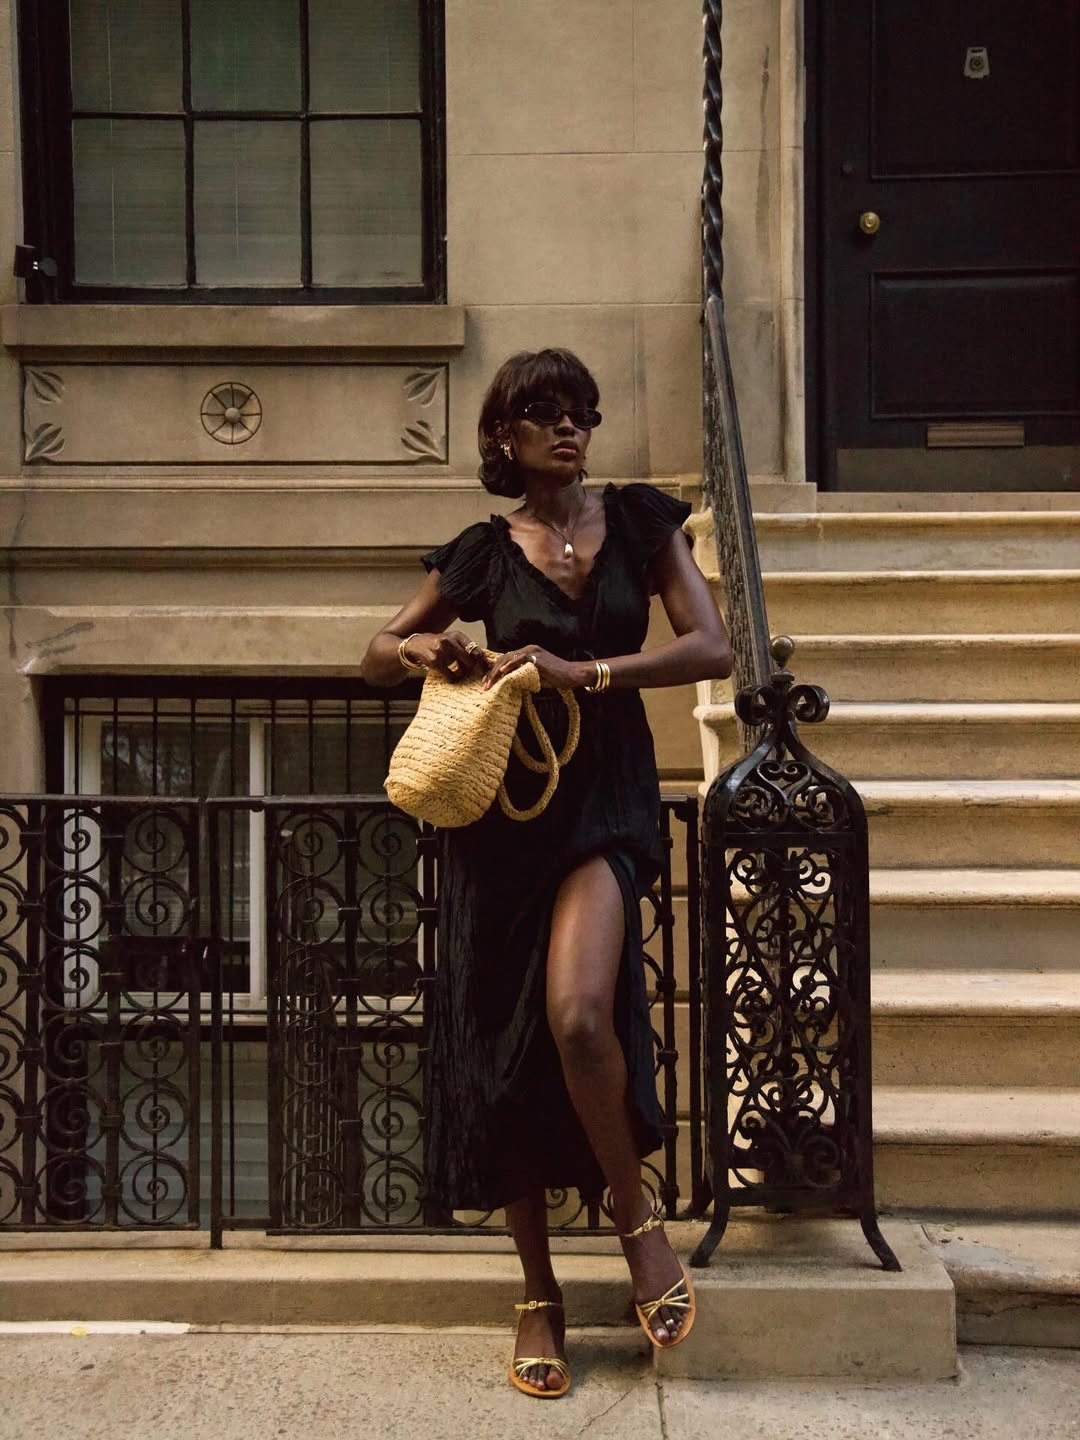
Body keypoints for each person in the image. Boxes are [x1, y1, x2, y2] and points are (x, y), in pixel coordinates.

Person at [360, 348, 732, 1397]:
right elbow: (375, 652)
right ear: (506, 438)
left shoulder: (643, 523)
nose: (570, 429)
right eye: (545, 413)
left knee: (576, 1015)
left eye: (581, 413)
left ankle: (636, 1220)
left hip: (605, 796)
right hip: (505, 813)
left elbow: (712, 649)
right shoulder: (484, 552)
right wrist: (428, 652)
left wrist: (588, 670)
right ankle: (537, 1293)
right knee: (505, 1045)